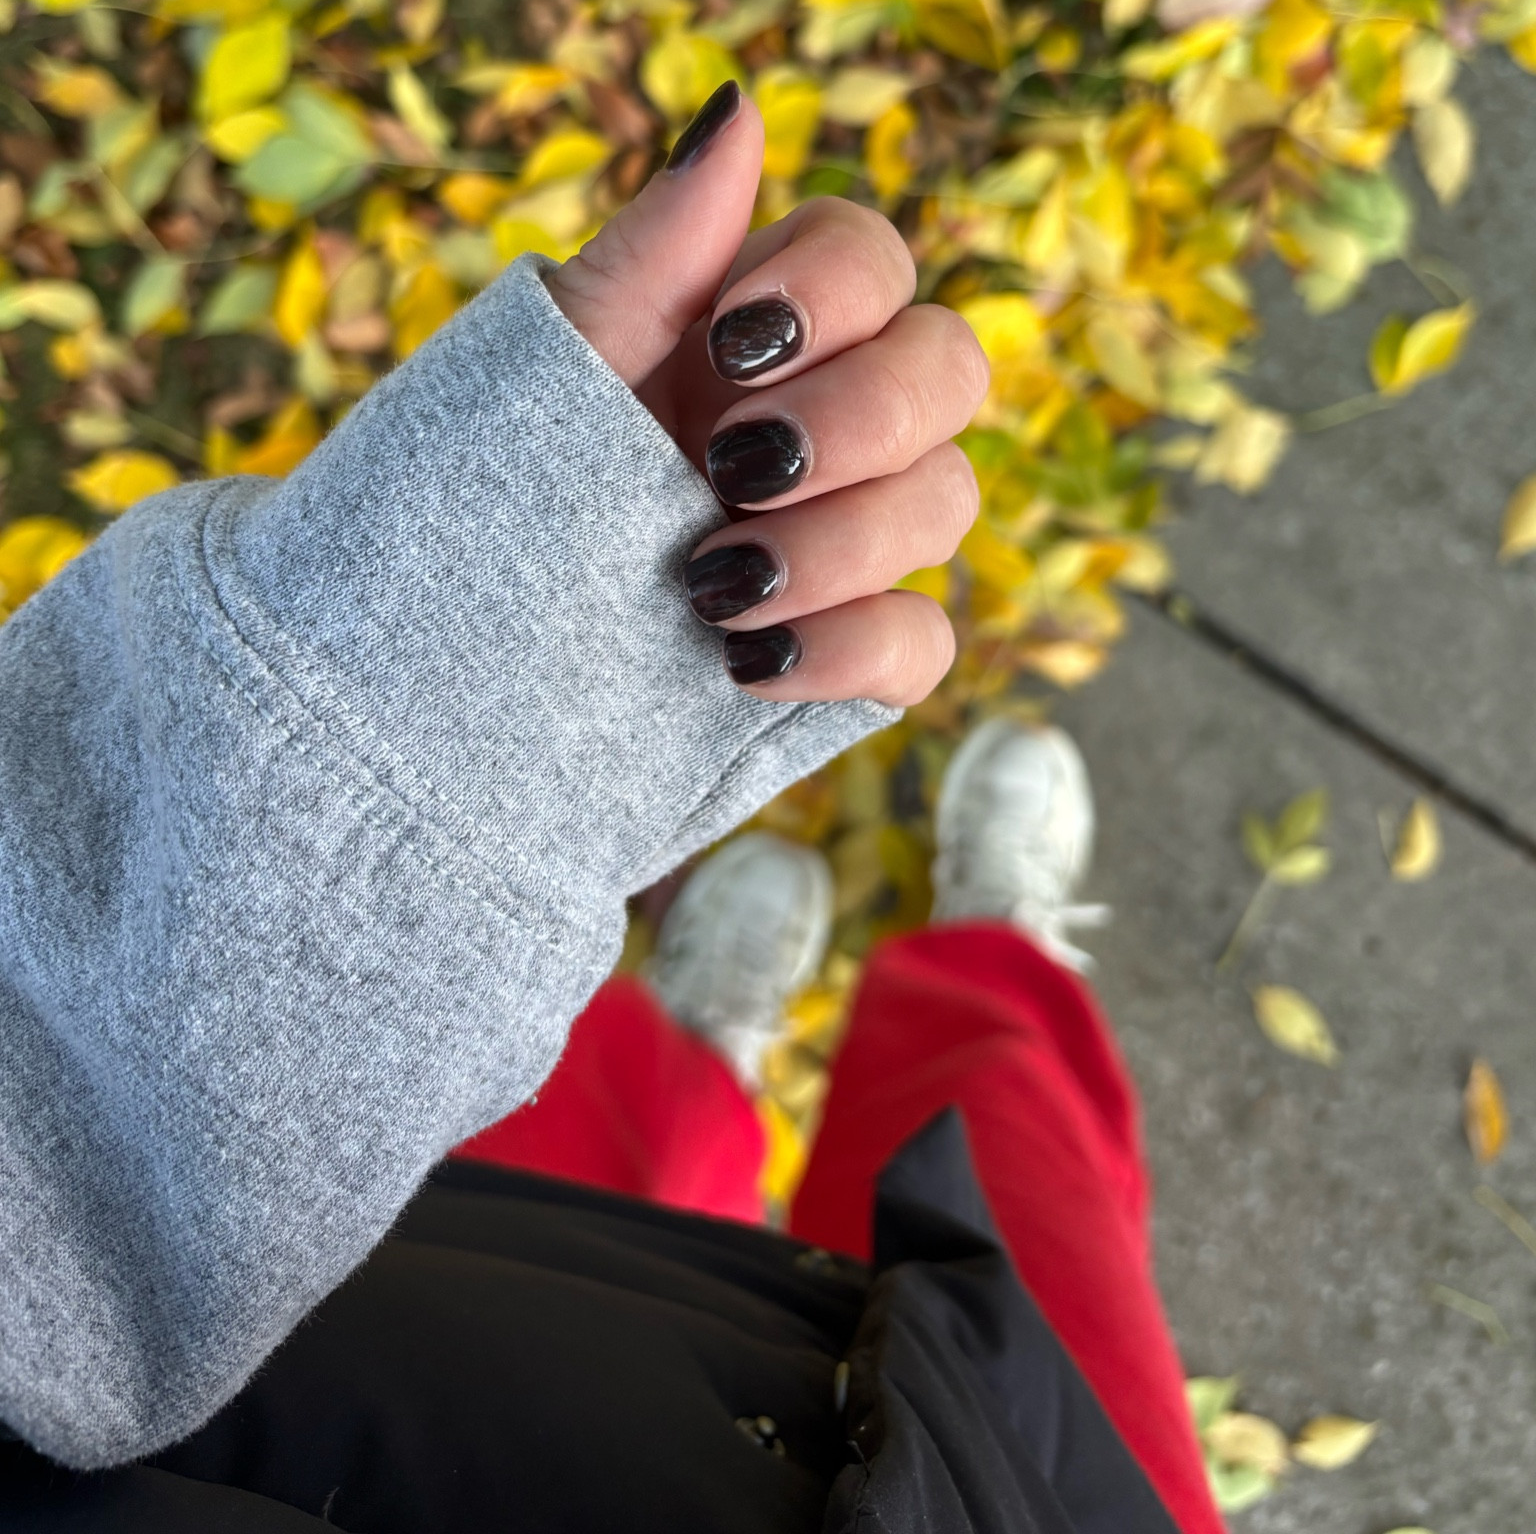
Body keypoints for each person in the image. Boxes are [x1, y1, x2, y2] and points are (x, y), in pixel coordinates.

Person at [0, 84, 1221, 1532]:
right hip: (1029, 1482)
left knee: (614, 1121)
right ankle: (982, 960)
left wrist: (351, 782)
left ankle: (697, 1060)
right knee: (1021, 1150)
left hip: (473, 1373)